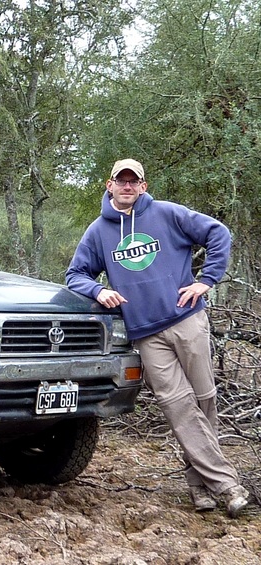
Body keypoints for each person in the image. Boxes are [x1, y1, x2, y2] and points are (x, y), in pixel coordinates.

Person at [66, 158, 250, 518]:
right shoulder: (98, 232)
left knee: (204, 400)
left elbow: (218, 233)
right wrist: (97, 290)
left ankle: (200, 487)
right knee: (177, 406)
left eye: (134, 182)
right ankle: (227, 485)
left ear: (143, 187)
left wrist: (205, 280)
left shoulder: (168, 214)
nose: (128, 187)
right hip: (146, 334)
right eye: (122, 181)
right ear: (110, 185)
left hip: (186, 320)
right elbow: (75, 274)